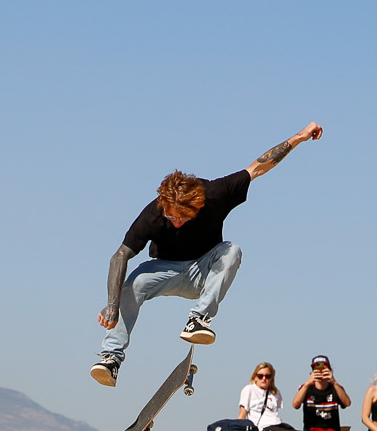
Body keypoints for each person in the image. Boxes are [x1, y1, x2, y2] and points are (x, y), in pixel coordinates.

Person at [91, 121, 324, 387]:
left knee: (231, 251)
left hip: (202, 272)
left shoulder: (216, 193)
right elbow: (120, 255)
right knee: (132, 284)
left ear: (197, 205)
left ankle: (198, 319)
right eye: (172, 216)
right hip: (163, 270)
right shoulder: (154, 213)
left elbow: (259, 166)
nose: (176, 221)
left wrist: (300, 137)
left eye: (183, 217)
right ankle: (111, 357)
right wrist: (111, 305)